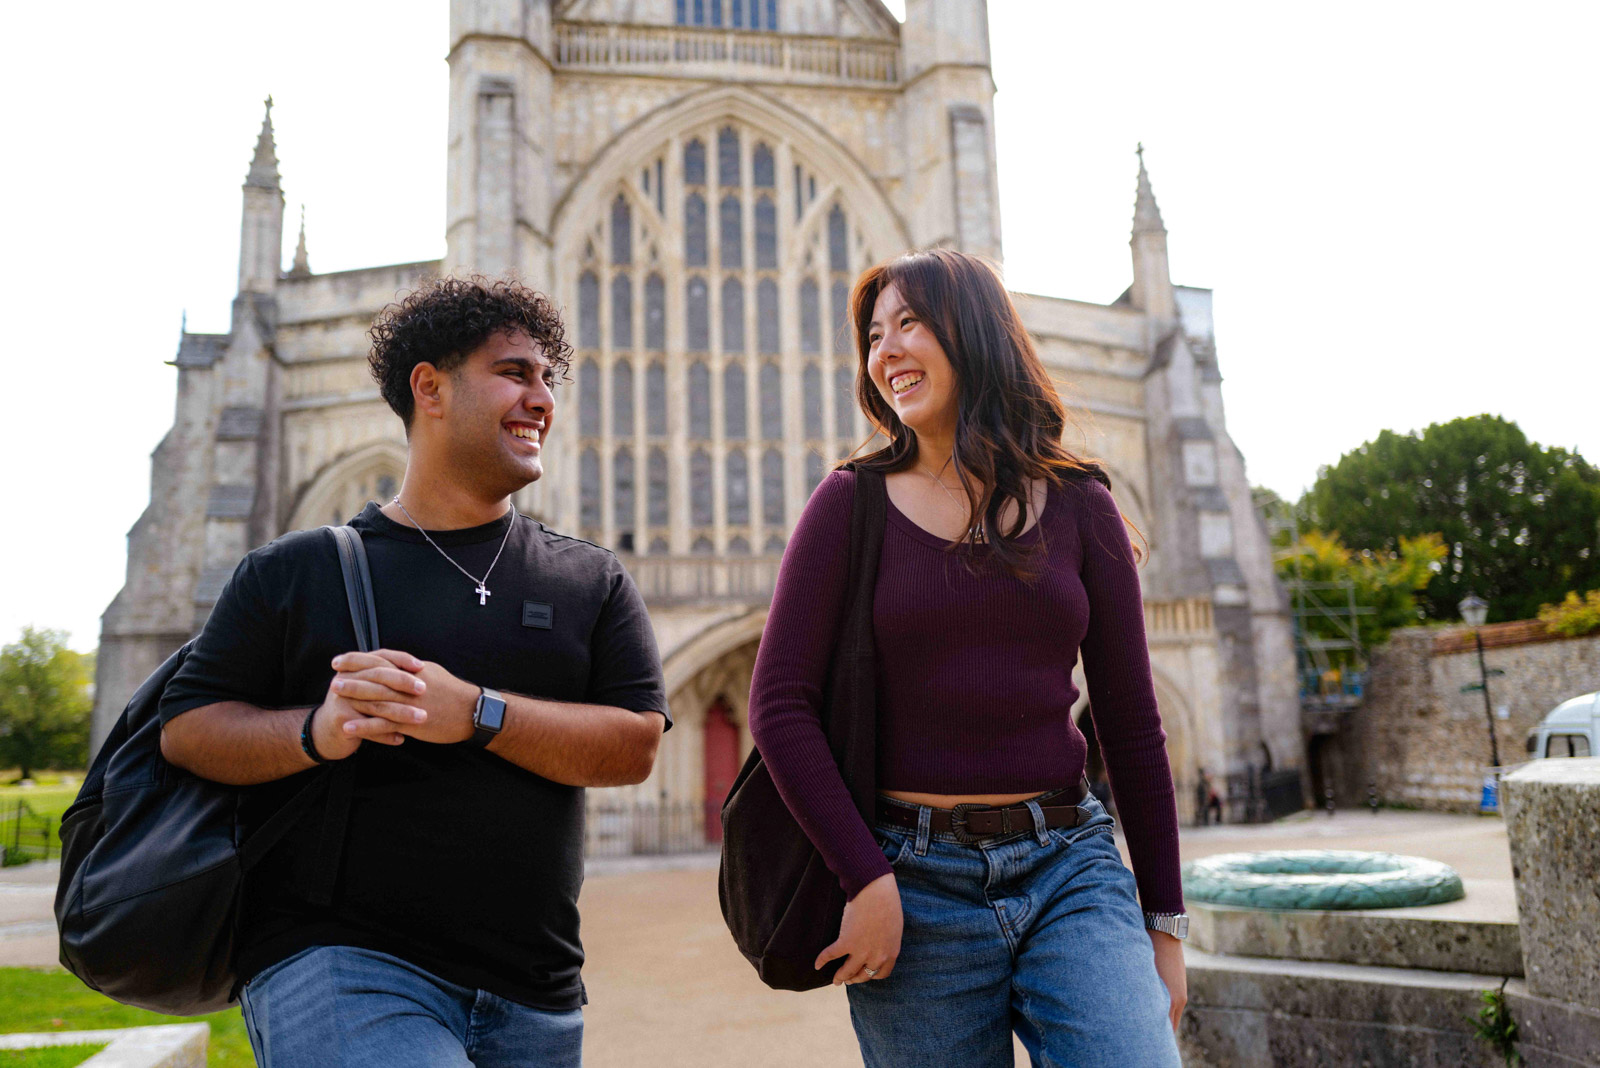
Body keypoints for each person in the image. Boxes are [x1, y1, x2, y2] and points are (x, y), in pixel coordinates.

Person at [158, 277, 669, 1068]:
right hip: (340, 963)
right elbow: (188, 731)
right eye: (514, 372)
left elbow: (634, 747)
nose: (541, 398)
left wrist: (477, 712)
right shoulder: (296, 571)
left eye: (547, 378)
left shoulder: (591, 579)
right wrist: (318, 730)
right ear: (428, 387)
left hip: (537, 990)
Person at [747, 249, 1186, 1066]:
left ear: (973, 330)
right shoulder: (849, 502)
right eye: (874, 336)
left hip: (1069, 863)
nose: (886, 352)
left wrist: (1164, 922)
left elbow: (1131, 722)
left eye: (909, 322)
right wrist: (862, 876)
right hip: (911, 879)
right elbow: (778, 703)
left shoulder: (1083, 503)